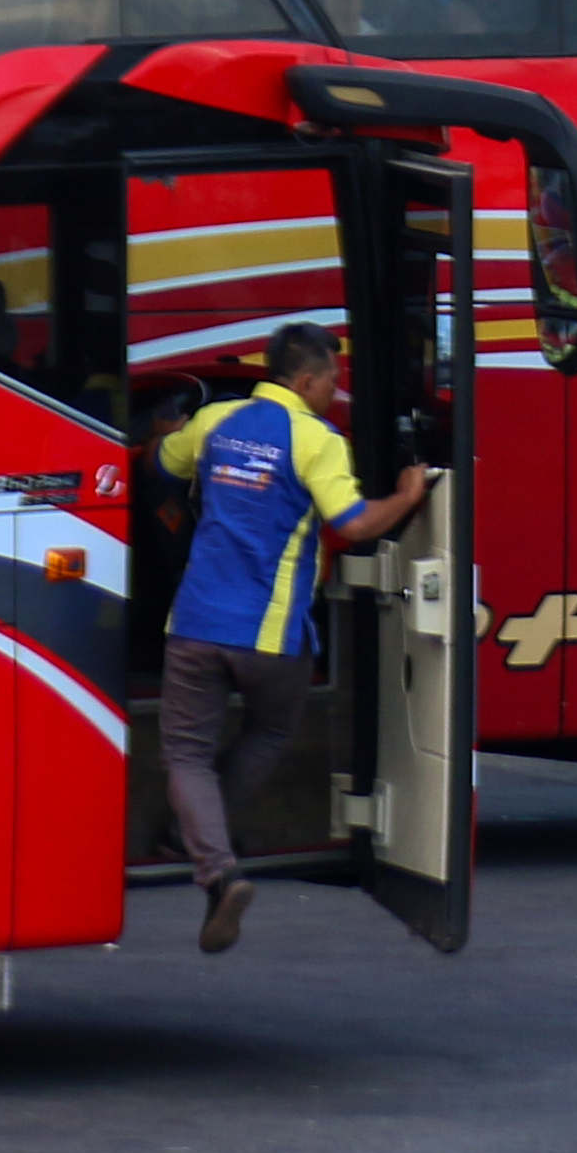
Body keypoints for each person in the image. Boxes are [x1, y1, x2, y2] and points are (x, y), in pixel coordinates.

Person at [155, 322, 436, 951]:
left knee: (187, 755)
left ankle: (217, 868)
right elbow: (356, 525)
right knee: (271, 730)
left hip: (196, 623)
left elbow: (163, 461)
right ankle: (209, 837)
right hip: (272, 633)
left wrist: (166, 432)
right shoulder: (319, 440)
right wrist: (408, 495)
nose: (337, 390)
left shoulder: (216, 421)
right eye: (333, 379)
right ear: (305, 380)